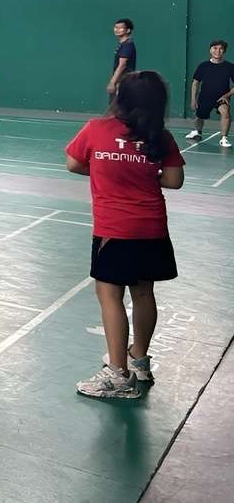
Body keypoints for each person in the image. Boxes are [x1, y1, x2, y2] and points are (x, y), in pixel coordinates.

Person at [66, 71, 183, 399]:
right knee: (144, 293)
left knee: (110, 296)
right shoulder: (161, 137)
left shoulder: (96, 129)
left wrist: (108, 169)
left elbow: (73, 163)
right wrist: (143, 173)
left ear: (120, 99)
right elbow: (174, 180)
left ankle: (118, 374)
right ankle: (139, 361)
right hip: (152, 227)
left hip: (114, 230)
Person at [186, 40, 234, 147]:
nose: (218, 51)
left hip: (221, 98)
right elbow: (195, 83)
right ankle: (197, 132)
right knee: (199, 116)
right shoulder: (203, 66)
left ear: (224, 51)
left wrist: (227, 95)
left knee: (225, 113)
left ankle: (224, 138)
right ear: (210, 50)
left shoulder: (230, 67)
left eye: (221, 49)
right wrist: (193, 99)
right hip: (205, 97)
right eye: (215, 48)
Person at [108, 19, 136, 100]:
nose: (117, 30)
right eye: (116, 27)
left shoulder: (127, 45)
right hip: (121, 82)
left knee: (119, 106)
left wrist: (112, 82)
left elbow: (122, 65)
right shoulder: (123, 44)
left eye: (120, 28)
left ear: (128, 30)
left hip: (123, 83)